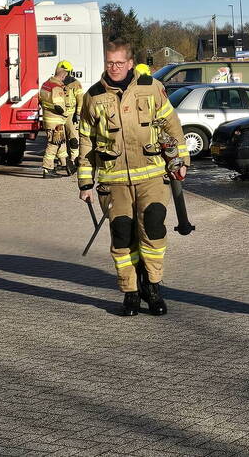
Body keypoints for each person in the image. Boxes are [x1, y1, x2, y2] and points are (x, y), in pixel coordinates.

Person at [77, 40, 189, 317]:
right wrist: (84, 182)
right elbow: (86, 140)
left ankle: (152, 287)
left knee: (152, 228)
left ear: (130, 63)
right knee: (122, 235)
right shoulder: (92, 95)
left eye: (119, 63)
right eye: (109, 63)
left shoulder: (151, 88)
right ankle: (130, 292)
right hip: (112, 180)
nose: (114, 68)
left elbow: (171, 124)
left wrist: (181, 161)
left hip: (151, 175)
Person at [39, 63, 70, 178]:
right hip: (55, 121)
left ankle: (65, 164)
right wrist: (66, 114)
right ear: (63, 75)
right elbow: (58, 106)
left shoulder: (46, 84)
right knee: (53, 144)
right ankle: (47, 169)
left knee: (60, 143)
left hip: (48, 119)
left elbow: (41, 100)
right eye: (65, 76)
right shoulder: (56, 87)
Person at [60, 61, 83, 173]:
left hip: (71, 114)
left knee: (73, 139)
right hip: (58, 115)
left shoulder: (75, 83)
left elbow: (80, 99)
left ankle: (74, 159)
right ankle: (64, 162)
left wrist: (77, 114)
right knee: (60, 139)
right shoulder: (55, 82)